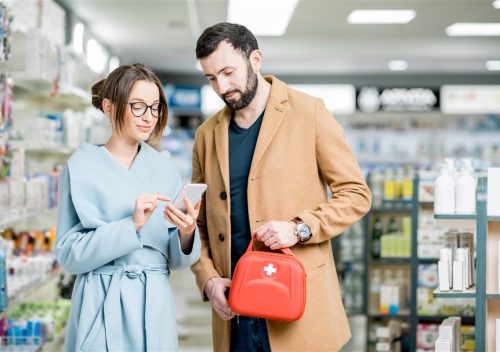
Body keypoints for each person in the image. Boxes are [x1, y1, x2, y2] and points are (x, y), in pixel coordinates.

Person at [190, 22, 372, 351]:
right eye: (211, 78)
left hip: (297, 306)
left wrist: (300, 228)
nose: (222, 86)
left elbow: (356, 195)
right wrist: (208, 279)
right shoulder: (207, 135)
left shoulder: (309, 113)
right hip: (236, 309)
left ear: (255, 59)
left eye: (229, 72)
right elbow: (198, 221)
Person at [56, 63, 201, 351]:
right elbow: (69, 255)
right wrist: (130, 226)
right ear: (109, 107)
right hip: (101, 299)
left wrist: (186, 234)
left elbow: (176, 260)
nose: (149, 117)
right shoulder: (80, 166)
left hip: (154, 300)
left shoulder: (165, 169)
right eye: (137, 106)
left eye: (155, 107)